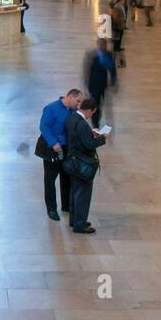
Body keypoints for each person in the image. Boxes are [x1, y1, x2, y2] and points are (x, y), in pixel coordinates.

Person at [36, 89, 82, 220]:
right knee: (50, 180)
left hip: (66, 149)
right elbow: (44, 127)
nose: (79, 105)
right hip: (52, 149)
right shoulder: (51, 108)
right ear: (70, 97)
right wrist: (53, 142)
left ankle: (66, 205)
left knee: (66, 177)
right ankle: (51, 209)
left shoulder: (73, 111)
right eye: (77, 101)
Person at [64, 99, 107, 234]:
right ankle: (79, 225)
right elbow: (88, 145)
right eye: (91, 113)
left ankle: (75, 220)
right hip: (82, 164)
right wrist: (102, 138)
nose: (90, 116)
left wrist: (90, 133)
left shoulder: (72, 117)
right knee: (82, 194)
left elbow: (77, 137)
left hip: (72, 160)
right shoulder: (82, 124)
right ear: (88, 110)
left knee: (74, 192)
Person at [85, 42, 116, 129]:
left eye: (104, 45)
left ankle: (98, 120)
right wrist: (86, 84)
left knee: (102, 105)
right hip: (94, 85)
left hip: (103, 84)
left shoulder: (108, 54)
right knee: (96, 105)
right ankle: (95, 123)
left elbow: (112, 67)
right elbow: (87, 70)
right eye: (101, 45)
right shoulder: (92, 55)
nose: (103, 47)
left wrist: (113, 79)